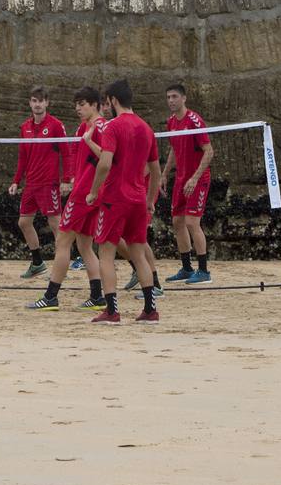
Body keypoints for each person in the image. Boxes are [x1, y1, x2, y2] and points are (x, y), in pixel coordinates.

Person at [26, 87, 110, 312]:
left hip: (86, 194)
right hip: (87, 191)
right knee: (85, 246)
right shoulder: (85, 127)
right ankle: (96, 296)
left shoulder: (101, 127)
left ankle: (51, 296)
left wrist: (85, 187)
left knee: (62, 242)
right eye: (76, 105)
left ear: (95, 105)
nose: (78, 109)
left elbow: (109, 158)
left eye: (82, 104)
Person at [86, 79, 162, 325]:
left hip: (115, 199)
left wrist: (93, 192)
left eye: (108, 102)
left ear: (114, 101)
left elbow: (105, 163)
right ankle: (150, 310)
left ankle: (112, 310)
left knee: (105, 253)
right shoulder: (146, 128)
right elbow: (156, 171)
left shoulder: (113, 127)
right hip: (138, 198)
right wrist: (150, 199)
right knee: (138, 255)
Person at [7, 86, 73, 279]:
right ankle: (37, 263)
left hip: (49, 184)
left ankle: (62, 266)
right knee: (24, 222)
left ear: (47, 103)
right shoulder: (25, 127)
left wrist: (66, 180)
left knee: (55, 223)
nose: (37, 104)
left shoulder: (55, 125)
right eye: (34, 101)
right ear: (30, 103)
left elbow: (67, 153)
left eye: (41, 101)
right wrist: (16, 181)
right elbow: (22, 158)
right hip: (31, 184)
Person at [161, 83, 214, 284]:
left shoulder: (194, 121)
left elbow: (209, 151)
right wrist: (165, 174)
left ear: (184, 98)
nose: (171, 100)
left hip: (198, 178)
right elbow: (174, 149)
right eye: (168, 97)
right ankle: (186, 267)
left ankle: (204, 271)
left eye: (175, 96)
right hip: (181, 178)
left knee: (192, 222)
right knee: (177, 222)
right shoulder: (171, 122)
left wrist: (194, 178)